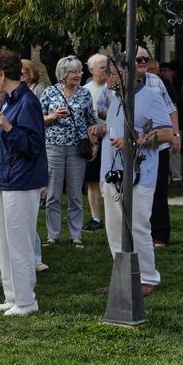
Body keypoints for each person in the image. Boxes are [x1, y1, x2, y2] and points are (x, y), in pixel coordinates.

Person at [0, 50, 47, 317]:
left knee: (19, 241)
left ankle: (26, 301)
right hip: (4, 178)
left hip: (21, 181)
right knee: (6, 241)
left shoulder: (27, 102)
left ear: (2, 75)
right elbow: (6, 141)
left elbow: (34, 145)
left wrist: (8, 128)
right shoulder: (11, 101)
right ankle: (13, 296)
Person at [96, 70, 174, 297]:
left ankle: (147, 277)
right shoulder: (115, 98)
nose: (105, 79)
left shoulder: (151, 96)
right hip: (112, 172)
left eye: (109, 75)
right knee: (114, 228)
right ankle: (123, 276)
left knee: (138, 226)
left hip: (140, 174)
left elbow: (167, 133)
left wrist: (133, 141)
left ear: (123, 76)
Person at [38, 55, 94, 249]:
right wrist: (52, 116)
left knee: (75, 194)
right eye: (74, 72)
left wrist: (94, 142)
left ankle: (76, 235)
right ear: (63, 74)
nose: (79, 74)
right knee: (53, 194)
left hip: (77, 148)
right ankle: (52, 236)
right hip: (53, 147)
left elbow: (90, 122)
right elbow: (38, 119)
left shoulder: (85, 94)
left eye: (80, 71)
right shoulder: (49, 92)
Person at [147, 58, 179, 247]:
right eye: (139, 60)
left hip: (158, 143)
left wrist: (175, 134)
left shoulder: (158, 82)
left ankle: (159, 235)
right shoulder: (122, 81)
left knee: (159, 189)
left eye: (145, 61)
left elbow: (171, 109)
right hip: (134, 146)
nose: (143, 64)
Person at [81, 53, 111, 231]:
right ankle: (96, 219)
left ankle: (114, 217)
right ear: (91, 70)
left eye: (107, 67)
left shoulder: (114, 88)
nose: (105, 70)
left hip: (112, 137)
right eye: (101, 67)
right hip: (91, 138)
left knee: (111, 179)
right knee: (92, 180)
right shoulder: (85, 91)